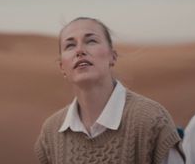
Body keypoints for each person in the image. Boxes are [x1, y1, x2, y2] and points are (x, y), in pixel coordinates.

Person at [35, 17, 184, 164]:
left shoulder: (152, 120)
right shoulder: (50, 132)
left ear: (112, 57)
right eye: (70, 45)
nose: (80, 50)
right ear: (62, 66)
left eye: (91, 41)